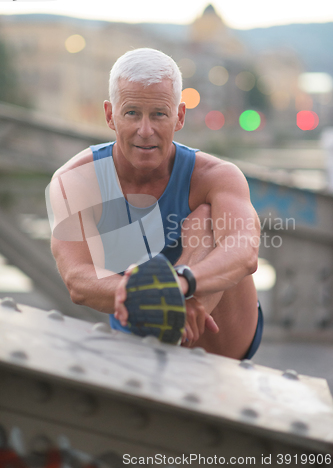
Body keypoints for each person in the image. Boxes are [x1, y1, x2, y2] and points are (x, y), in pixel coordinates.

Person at [49, 48, 262, 359]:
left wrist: (181, 285)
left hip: (223, 337)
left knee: (205, 217)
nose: (145, 131)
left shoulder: (217, 176)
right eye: (132, 113)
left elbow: (245, 250)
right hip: (142, 333)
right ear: (110, 115)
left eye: (159, 114)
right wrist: (142, 294)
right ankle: (166, 314)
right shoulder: (77, 180)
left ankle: (180, 308)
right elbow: (77, 277)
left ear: (179, 116)